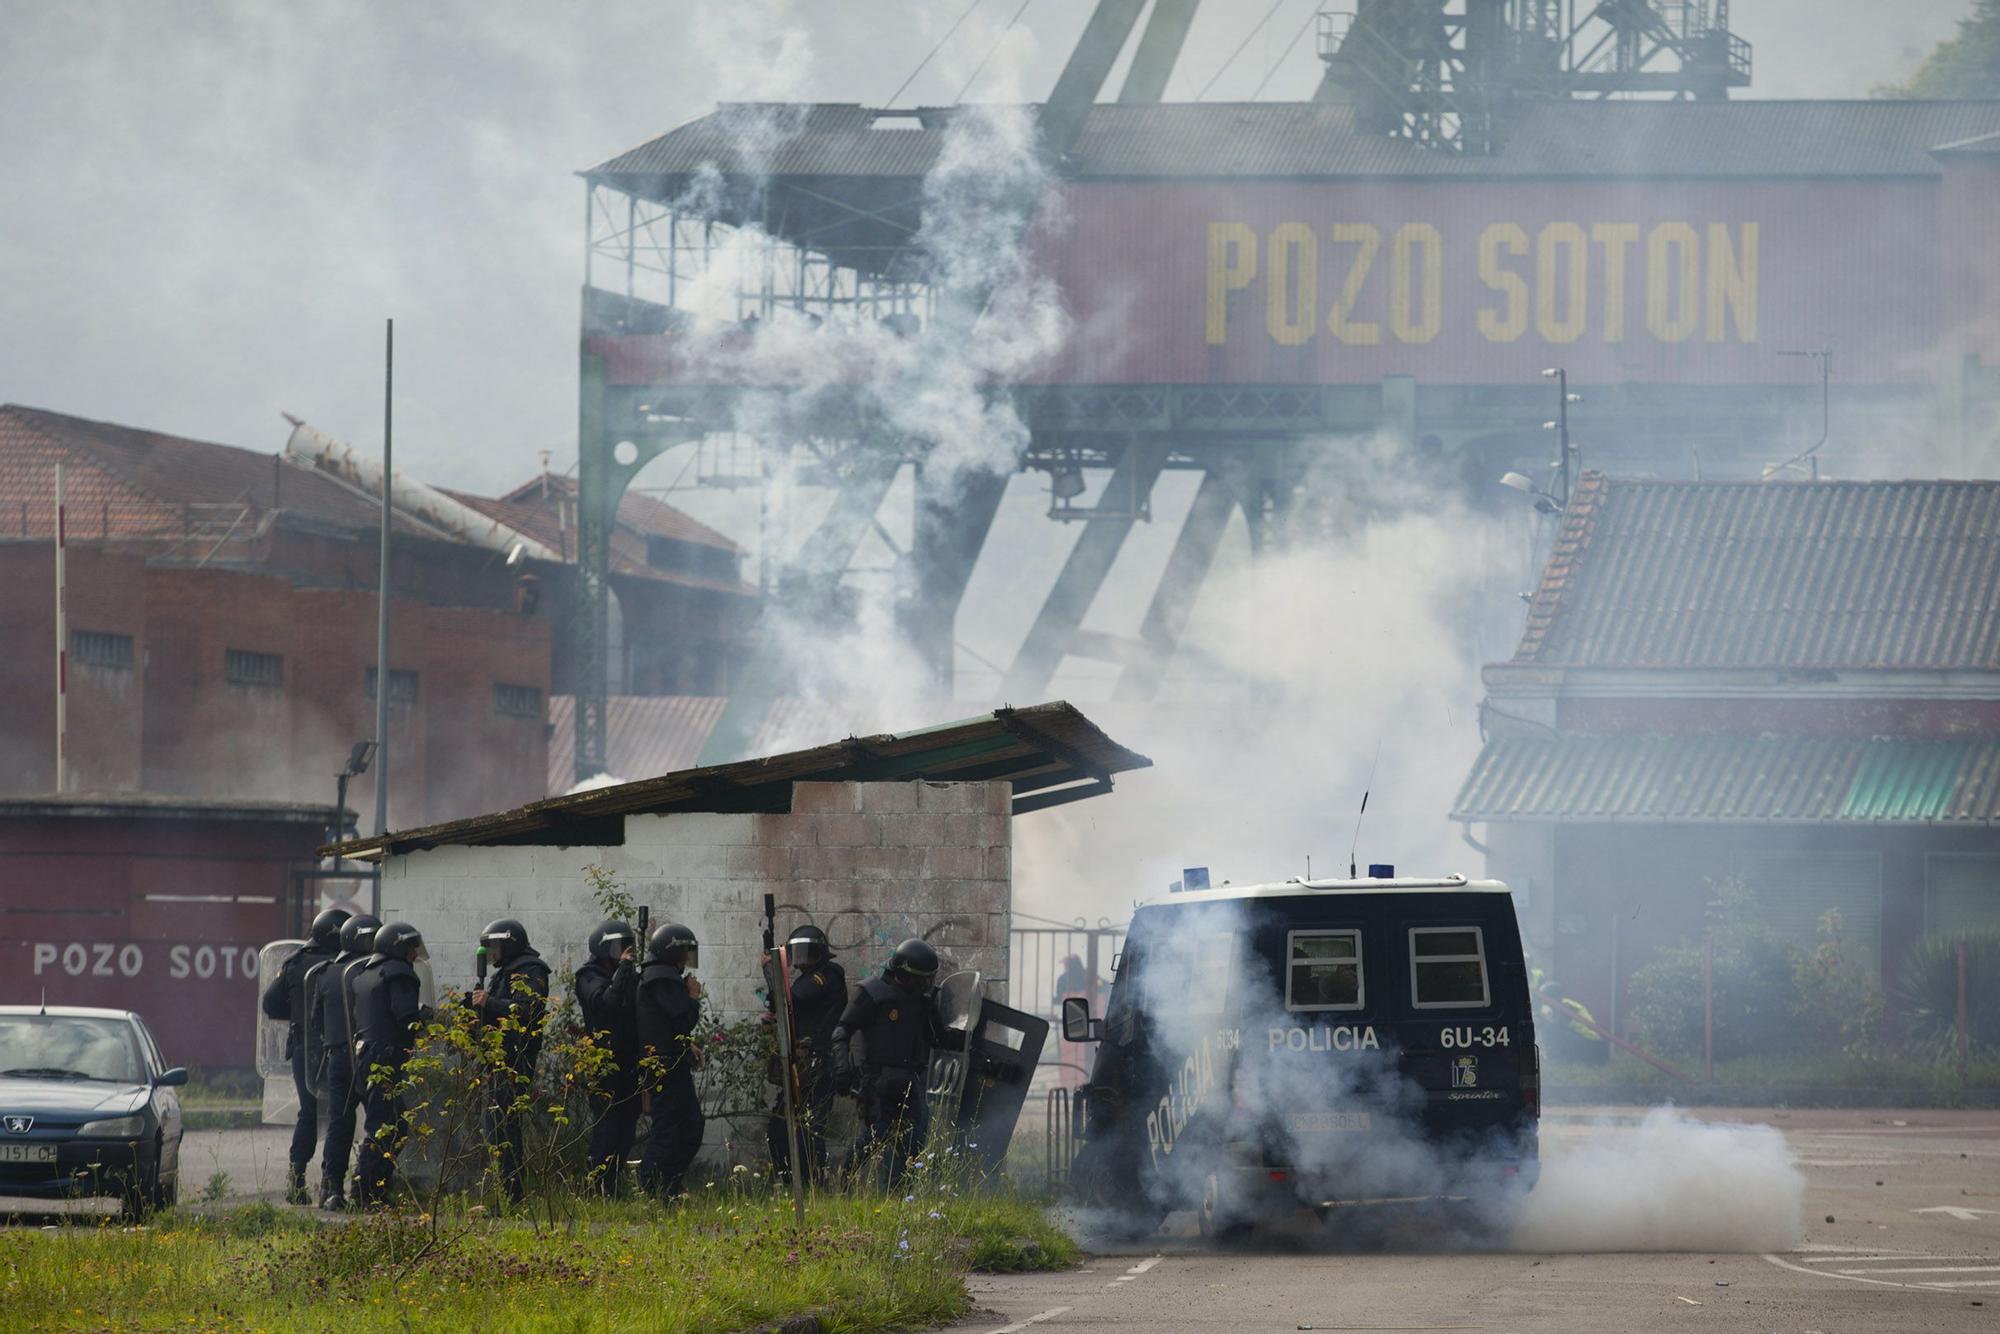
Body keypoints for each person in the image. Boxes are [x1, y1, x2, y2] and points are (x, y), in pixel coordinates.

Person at [831, 938, 951, 1188]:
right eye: (922, 979)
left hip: (912, 1079)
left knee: (915, 1140)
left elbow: (937, 1038)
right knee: (876, 1135)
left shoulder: (923, 1000)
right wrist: (842, 1069)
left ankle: (899, 1194)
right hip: (879, 1082)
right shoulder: (873, 993)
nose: (927, 985)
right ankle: (844, 1181)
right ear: (904, 975)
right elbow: (842, 1031)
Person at [260, 907, 349, 1205]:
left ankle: (296, 1181)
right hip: (339, 1047)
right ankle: (331, 1184)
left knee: (308, 1112)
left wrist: (298, 1015)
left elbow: (271, 1004)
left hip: (302, 1048)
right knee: (340, 1113)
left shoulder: (294, 963)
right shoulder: (345, 964)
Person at [349, 921, 431, 1208]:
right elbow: (406, 1016)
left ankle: (376, 1189)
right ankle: (364, 1194)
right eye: (410, 948)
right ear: (398, 948)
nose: (413, 955)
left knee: (393, 1125)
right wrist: (428, 1017)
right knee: (384, 1127)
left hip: (365, 1058)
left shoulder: (366, 973)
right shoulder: (399, 973)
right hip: (386, 1059)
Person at [469, 918, 550, 1204]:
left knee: (502, 1128)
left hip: (514, 1061)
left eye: (496, 947)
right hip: (497, 1061)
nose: (492, 954)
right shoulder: (507, 972)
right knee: (495, 1129)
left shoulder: (530, 970)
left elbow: (526, 1010)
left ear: (509, 944)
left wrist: (488, 1003)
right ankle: (508, 1195)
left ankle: (512, 1197)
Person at [305, 913, 379, 1210]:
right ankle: (367, 1186)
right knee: (381, 1120)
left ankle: (331, 1187)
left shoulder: (325, 973)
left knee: (340, 1122)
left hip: (337, 1056)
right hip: (370, 1056)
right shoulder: (376, 970)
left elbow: (315, 1022)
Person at [765, 923, 846, 1186]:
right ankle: (789, 1182)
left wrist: (771, 969)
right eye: (796, 955)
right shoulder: (805, 979)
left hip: (818, 1065)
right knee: (778, 1130)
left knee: (809, 1133)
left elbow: (790, 998)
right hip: (800, 1065)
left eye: (806, 955)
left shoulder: (829, 975)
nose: (800, 962)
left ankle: (813, 1186)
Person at [635, 923, 705, 1199]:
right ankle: (651, 1186)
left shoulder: (659, 976)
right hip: (665, 1067)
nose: (687, 959)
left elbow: (664, 1026)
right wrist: (693, 998)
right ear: (672, 952)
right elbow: (682, 1018)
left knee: (690, 1125)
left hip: (670, 1062)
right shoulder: (662, 978)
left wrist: (687, 1045)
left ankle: (669, 1185)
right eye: (684, 953)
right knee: (668, 1129)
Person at [573, 919, 641, 1195]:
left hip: (629, 1063)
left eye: (626, 947)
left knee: (627, 1127)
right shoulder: (588, 976)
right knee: (608, 1127)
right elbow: (606, 1005)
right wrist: (624, 968)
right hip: (603, 1065)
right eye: (617, 947)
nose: (623, 952)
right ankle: (596, 1186)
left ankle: (611, 1185)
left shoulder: (626, 977)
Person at [1535, 976, 1609, 1065]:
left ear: (1553, 997)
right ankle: (1559, 1059)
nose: (1543, 1001)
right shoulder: (1560, 1005)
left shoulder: (1565, 1006)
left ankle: (1560, 1060)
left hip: (1592, 1045)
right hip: (1587, 1043)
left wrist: (1541, 1021)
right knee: (1552, 1030)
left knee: (1551, 1031)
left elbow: (1556, 1026)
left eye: (1544, 998)